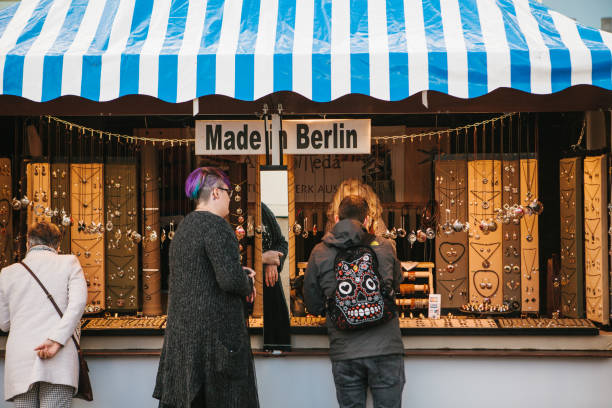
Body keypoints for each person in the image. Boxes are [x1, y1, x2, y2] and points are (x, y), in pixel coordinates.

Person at [154, 166, 259, 408]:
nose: (230, 199)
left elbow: (199, 275)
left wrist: (238, 273)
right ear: (215, 193)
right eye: (228, 192)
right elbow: (230, 280)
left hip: (185, 343)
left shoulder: (184, 228)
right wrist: (248, 281)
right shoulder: (217, 226)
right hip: (215, 345)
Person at [304, 195, 405, 408]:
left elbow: (312, 303)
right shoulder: (386, 247)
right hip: (386, 348)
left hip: (345, 350)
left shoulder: (319, 252)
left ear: (335, 218)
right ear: (367, 220)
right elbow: (396, 285)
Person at [0, 221, 87, 407]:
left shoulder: (7, 273)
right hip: (59, 357)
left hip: (21, 358)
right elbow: (78, 304)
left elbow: (4, 323)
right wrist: (56, 340)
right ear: (57, 245)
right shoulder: (69, 263)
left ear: (28, 244)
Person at [260, 202, 290, 350]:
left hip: (271, 291)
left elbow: (281, 243)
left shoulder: (263, 210)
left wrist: (273, 262)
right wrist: (263, 259)